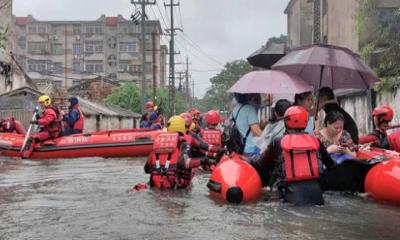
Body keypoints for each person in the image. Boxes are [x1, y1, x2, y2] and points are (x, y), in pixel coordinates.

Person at [251, 106, 336, 205]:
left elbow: (261, 163)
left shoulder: (278, 142)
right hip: (318, 199)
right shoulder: (315, 142)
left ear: (286, 122)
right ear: (306, 121)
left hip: (292, 202)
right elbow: (331, 164)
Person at [144, 115, 213, 189]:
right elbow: (184, 162)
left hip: (156, 186)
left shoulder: (157, 143)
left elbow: (147, 169)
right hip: (176, 186)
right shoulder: (184, 143)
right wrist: (204, 161)